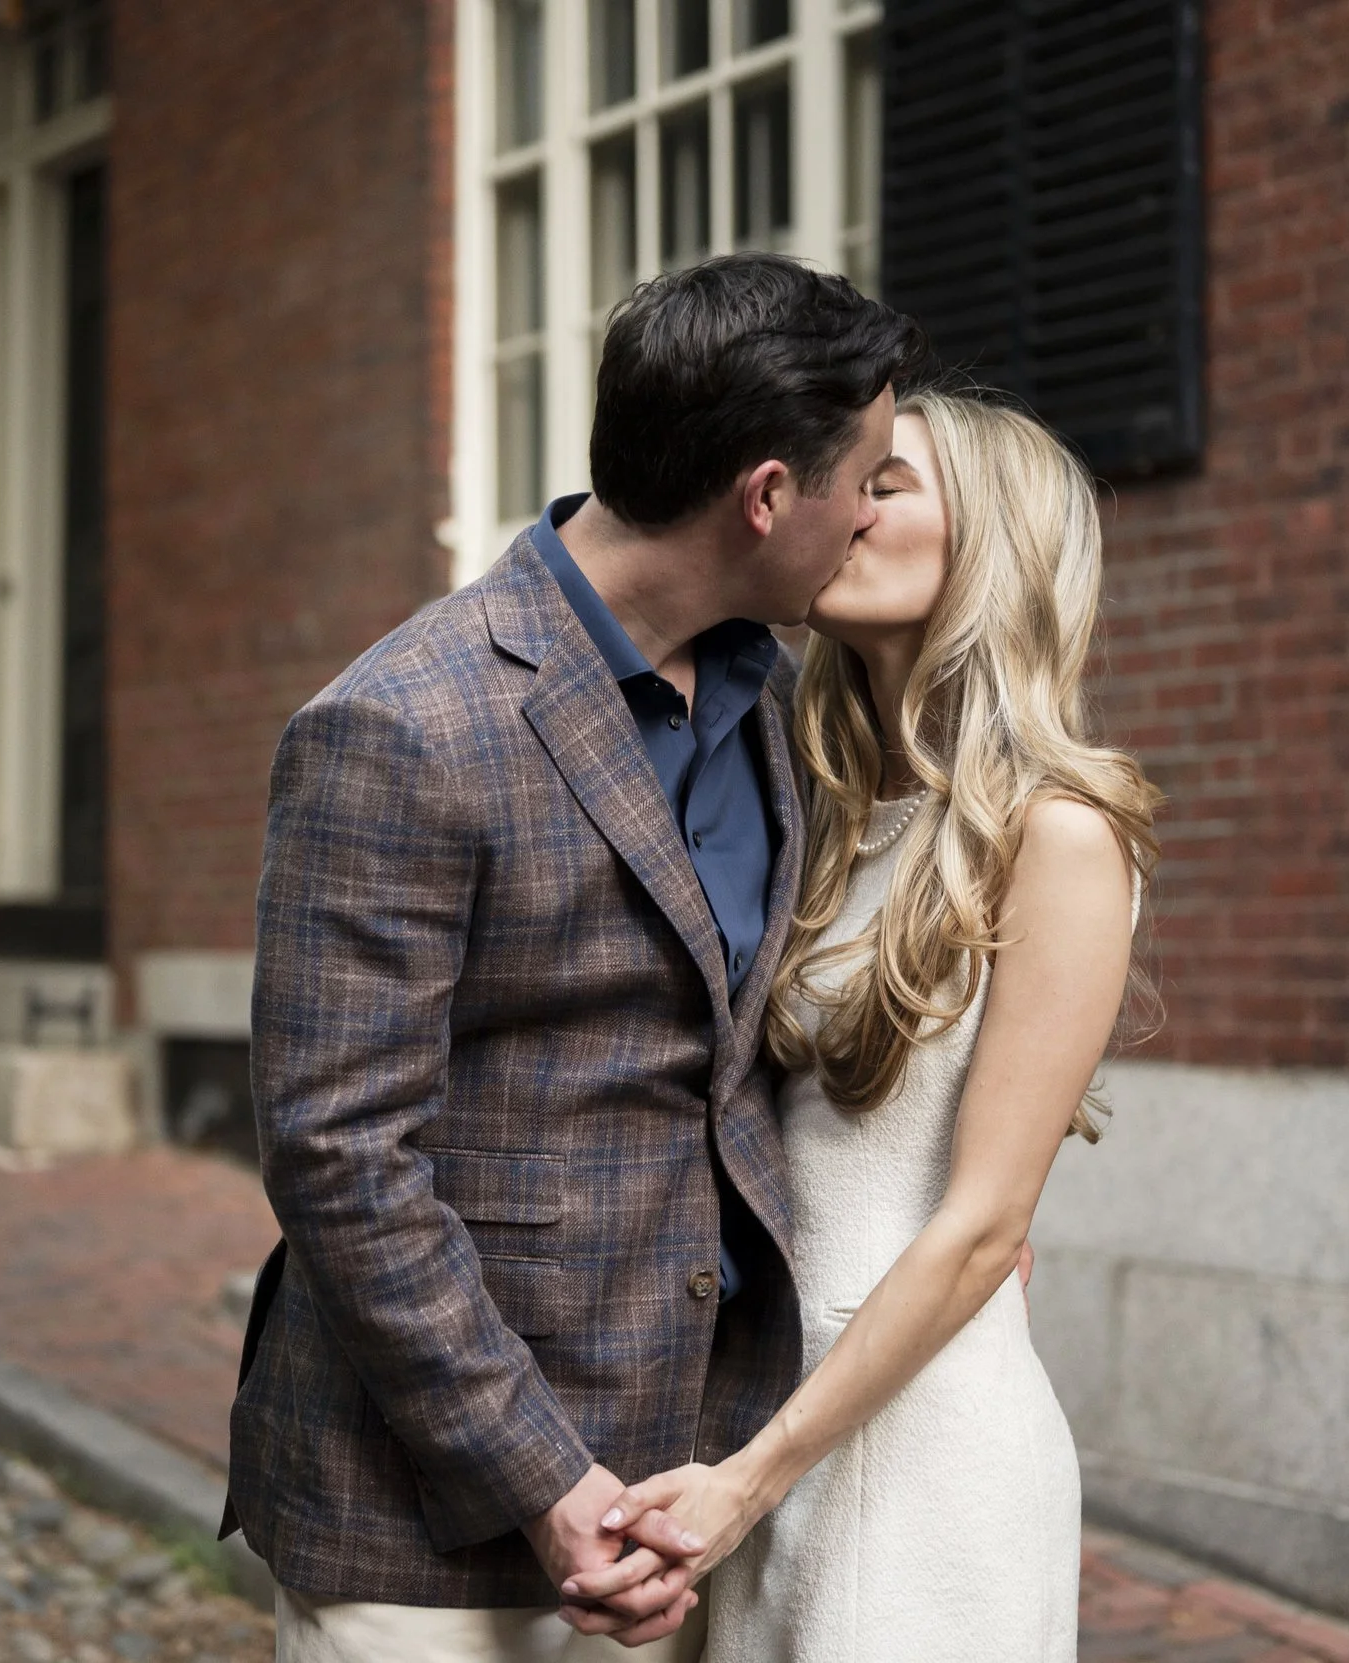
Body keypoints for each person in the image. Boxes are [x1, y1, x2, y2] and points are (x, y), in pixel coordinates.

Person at [218, 252, 928, 1662]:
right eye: (865, 479)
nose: (872, 513)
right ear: (766, 496)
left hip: (683, 1489)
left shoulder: (775, 699)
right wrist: (546, 1481)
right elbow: (338, 1153)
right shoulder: (400, 724)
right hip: (424, 1528)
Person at [578, 389, 1162, 1661]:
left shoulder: (1059, 833)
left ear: (989, 542)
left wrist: (751, 1477)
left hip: (915, 1454)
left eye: (884, 484)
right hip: (770, 1414)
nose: (842, 507)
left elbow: (984, 1226)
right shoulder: (821, 807)